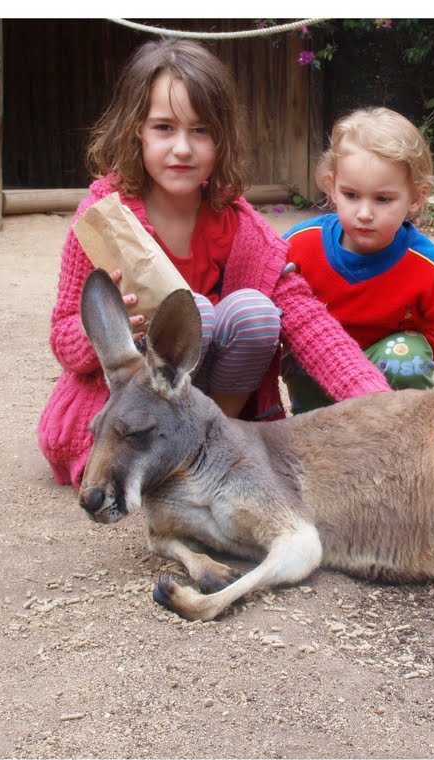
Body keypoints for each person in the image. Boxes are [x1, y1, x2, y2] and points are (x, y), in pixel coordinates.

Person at [37, 39, 389, 488]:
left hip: (215, 411)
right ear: (136, 131)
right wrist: (110, 332)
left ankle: (207, 449)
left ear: (221, 139)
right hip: (131, 419)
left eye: (200, 130)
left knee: (254, 311)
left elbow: (308, 322)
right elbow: (63, 337)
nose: (183, 148)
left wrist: (385, 409)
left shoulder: (239, 226)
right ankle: (166, 454)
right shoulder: (103, 221)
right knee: (192, 312)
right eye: (164, 128)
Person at [281, 106, 434, 411]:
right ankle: (312, 428)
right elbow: (259, 287)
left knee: (406, 355)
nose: (364, 213)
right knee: (300, 343)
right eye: (351, 195)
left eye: (383, 199)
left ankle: (396, 433)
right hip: (320, 370)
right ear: (332, 186)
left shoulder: (425, 265)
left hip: (388, 384)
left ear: (416, 197)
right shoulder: (300, 244)